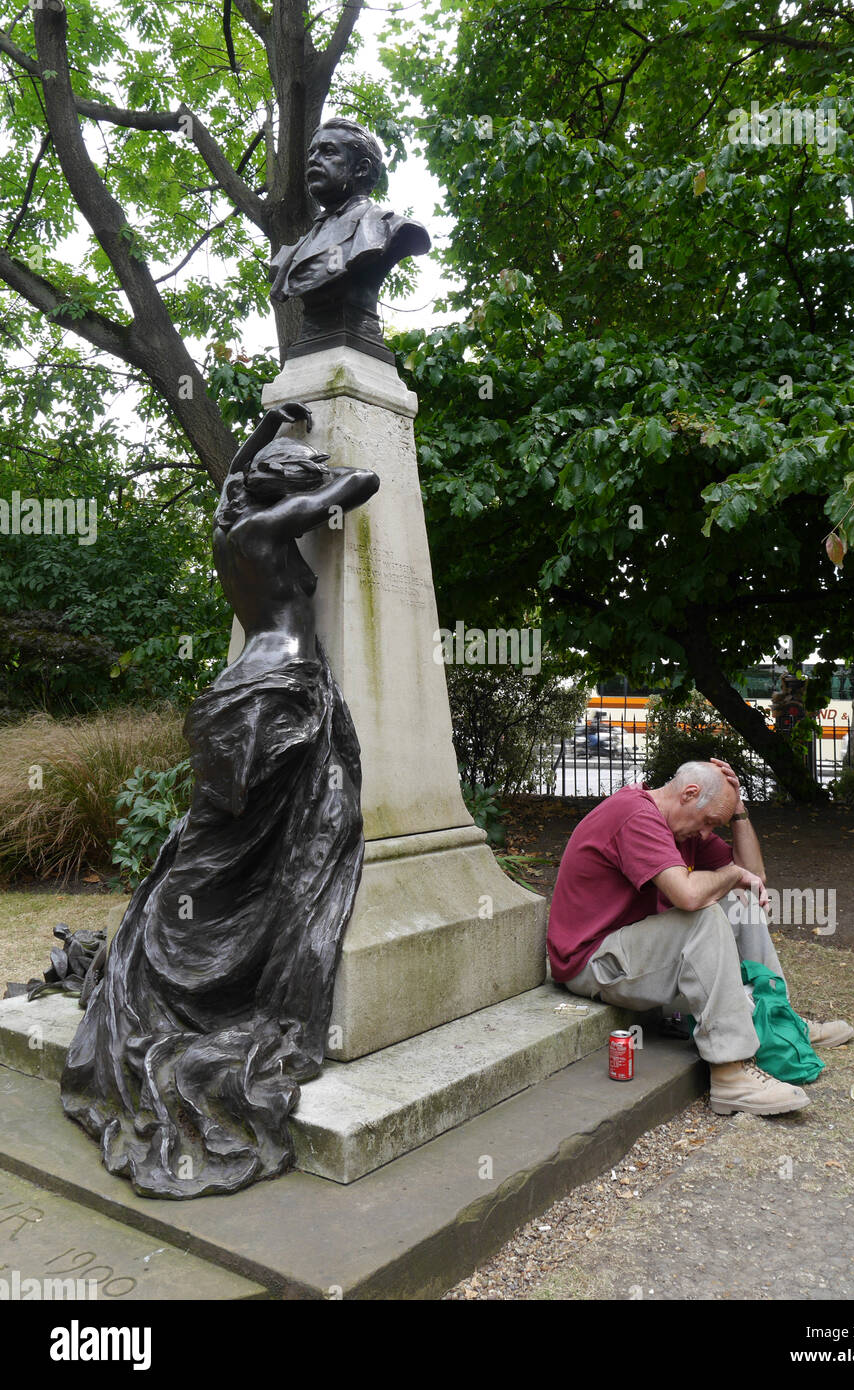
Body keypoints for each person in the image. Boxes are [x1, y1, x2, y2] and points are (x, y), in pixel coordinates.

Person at [61, 404, 379, 1198]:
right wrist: (321, 466)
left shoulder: (234, 526)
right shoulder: (269, 527)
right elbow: (365, 480)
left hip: (244, 690)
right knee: (236, 846)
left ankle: (166, 948)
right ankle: (183, 969)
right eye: (296, 477)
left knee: (218, 842)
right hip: (276, 691)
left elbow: (236, 479)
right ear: (283, 492)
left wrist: (267, 429)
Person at [547, 759, 854, 1116]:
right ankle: (730, 1073)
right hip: (592, 964)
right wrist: (733, 874)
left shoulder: (685, 828)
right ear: (689, 794)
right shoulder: (636, 815)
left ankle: (779, 1020)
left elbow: (754, 875)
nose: (709, 834)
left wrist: (737, 811)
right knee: (703, 913)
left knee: (741, 899)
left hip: (635, 950)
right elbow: (689, 896)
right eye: (710, 822)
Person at [268, 117, 430, 354]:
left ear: (361, 168)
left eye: (328, 152)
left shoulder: (389, 227)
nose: (313, 159)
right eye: (312, 153)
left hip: (357, 340)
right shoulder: (293, 251)